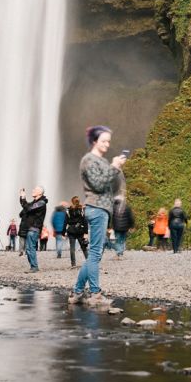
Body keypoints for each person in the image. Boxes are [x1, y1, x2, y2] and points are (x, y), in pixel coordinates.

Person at [72, 125, 125, 304]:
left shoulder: (102, 161)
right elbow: (98, 184)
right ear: (94, 141)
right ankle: (95, 294)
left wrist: (116, 168)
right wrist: (114, 167)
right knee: (95, 253)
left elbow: (112, 186)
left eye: (109, 141)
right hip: (96, 209)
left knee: (95, 253)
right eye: (103, 141)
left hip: (103, 210)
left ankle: (78, 292)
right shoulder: (89, 160)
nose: (107, 144)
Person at [18, 186, 48, 273]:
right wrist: (22, 197)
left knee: (31, 248)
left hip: (34, 228)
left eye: (35, 190)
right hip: (30, 228)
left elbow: (28, 208)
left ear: (40, 193)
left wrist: (23, 199)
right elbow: (26, 207)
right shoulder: (35, 202)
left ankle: (34, 267)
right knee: (28, 249)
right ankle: (33, 267)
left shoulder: (41, 203)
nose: (33, 190)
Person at [65, 196, 89, 268]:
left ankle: (73, 264)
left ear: (72, 201)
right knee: (83, 247)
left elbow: (65, 221)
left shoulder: (68, 210)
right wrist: (86, 233)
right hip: (80, 230)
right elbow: (85, 221)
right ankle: (88, 261)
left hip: (71, 230)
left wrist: (63, 232)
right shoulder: (82, 209)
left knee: (72, 248)